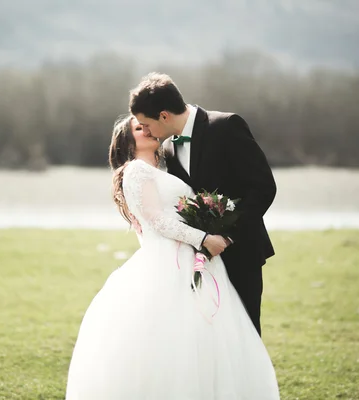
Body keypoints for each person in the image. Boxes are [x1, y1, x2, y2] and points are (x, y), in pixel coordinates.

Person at [65, 115, 279, 399]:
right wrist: (203, 238)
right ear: (129, 141)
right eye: (139, 129)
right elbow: (156, 221)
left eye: (146, 124)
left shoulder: (166, 166)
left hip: (194, 260)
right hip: (168, 264)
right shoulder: (137, 171)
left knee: (205, 337)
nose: (147, 129)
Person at [129, 72, 277, 336]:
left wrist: (227, 237)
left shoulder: (227, 126)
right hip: (197, 259)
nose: (146, 131)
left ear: (164, 115)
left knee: (244, 336)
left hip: (241, 253)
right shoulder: (170, 150)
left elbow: (263, 187)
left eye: (145, 124)